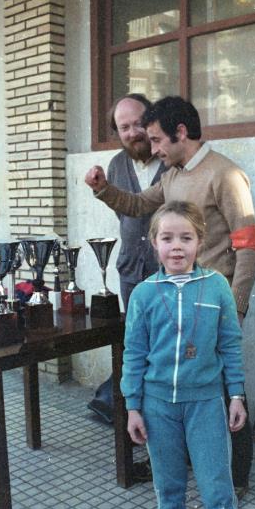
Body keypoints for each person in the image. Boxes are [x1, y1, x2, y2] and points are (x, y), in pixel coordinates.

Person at [85, 95, 255, 498]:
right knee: (186, 386)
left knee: (223, 390)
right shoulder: (171, 175)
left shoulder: (226, 175)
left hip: (215, 306)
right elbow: (135, 205)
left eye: (157, 140)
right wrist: (102, 189)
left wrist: (234, 309)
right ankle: (193, 464)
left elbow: (249, 246)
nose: (153, 149)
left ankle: (236, 480)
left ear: (181, 132)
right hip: (177, 300)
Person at [121, 200, 255, 509]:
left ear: (200, 241)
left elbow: (231, 344)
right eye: (167, 238)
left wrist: (236, 394)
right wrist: (133, 405)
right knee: (169, 487)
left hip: (205, 405)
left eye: (186, 237)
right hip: (157, 405)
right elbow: (134, 351)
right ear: (153, 243)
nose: (176, 246)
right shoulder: (145, 294)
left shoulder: (216, 285)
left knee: (218, 489)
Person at [87, 94, 166, 443]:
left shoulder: (172, 158)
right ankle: (140, 426)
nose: (134, 132)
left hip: (170, 275)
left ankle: (168, 431)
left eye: (139, 123)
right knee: (137, 347)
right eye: (124, 127)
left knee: (168, 352)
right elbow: (126, 215)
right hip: (132, 274)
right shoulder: (117, 164)